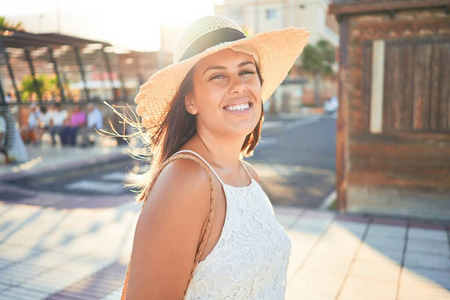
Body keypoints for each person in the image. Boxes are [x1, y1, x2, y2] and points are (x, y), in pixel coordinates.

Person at [120, 15, 310, 299]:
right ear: (191, 100)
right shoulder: (185, 180)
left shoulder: (249, 176)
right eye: (218, 75)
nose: (238, 85)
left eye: (246, 71)